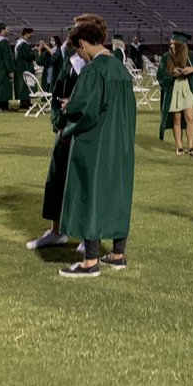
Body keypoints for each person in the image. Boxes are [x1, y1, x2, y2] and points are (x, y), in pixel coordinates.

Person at [57, 14, 136, 278]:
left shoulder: (95, 70)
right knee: (117, 194)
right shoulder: (121, 70)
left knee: (89, 193)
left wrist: (68, 121)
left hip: (95, 144)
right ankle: (117, 253)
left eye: (79, 51)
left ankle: (90, 261)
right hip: (121, 144)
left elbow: (86, 112)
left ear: (82, 43)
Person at [27, 18, 91, 250]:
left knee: (83, 181)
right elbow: (57, 95)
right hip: (65, 130)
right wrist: (58, 122)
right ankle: (57, 231)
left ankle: (87, 235)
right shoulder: (70, 60)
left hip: (85, 131)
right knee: (57, 180)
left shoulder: (97, 64)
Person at [157, 32, 193, 155]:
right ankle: (179, 147)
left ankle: (191, 146)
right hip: (174, 89)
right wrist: (172, 73)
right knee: (177, 119)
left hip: (188, 88)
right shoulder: (166, 57)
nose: (171, 45)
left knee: (190, 117)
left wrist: (192, 69)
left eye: (174, 44)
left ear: (180, 45)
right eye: (171, 43)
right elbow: (160, 75)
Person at [13, 27, 37, 110]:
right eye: (30, 34)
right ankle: (25, 103)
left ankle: (26, 101)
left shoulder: (19, 43)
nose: (31, 35)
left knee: (23, 84)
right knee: (25, 85)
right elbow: (29, 56)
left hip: (20, 66)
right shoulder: (23, 44)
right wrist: (35, 52)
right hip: (25, 66)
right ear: (27, 34)